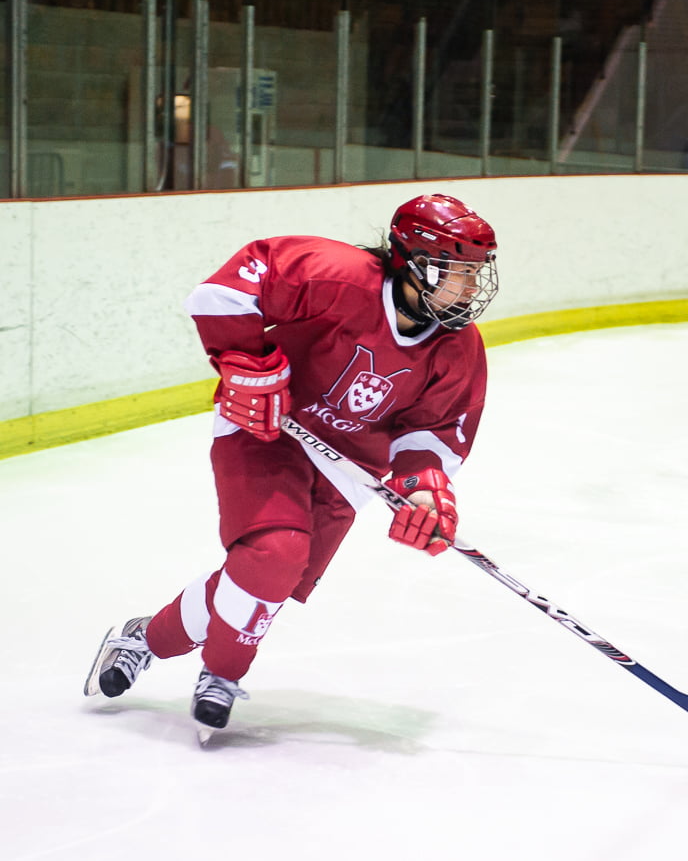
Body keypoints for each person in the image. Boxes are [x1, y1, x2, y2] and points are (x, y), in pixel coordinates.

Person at [83, 194, 499, 734]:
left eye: (476, 274)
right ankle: (223, 673)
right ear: (411, 263)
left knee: (268, 580)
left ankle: (141, 638)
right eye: (456, 272)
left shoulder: (458, 347)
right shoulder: (335, 276)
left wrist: (421, 488)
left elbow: (436, 430)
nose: (470, 289)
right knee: (274, 554)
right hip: (268, 428)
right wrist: (245, 363)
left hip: (351, 464)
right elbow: (226, 291)